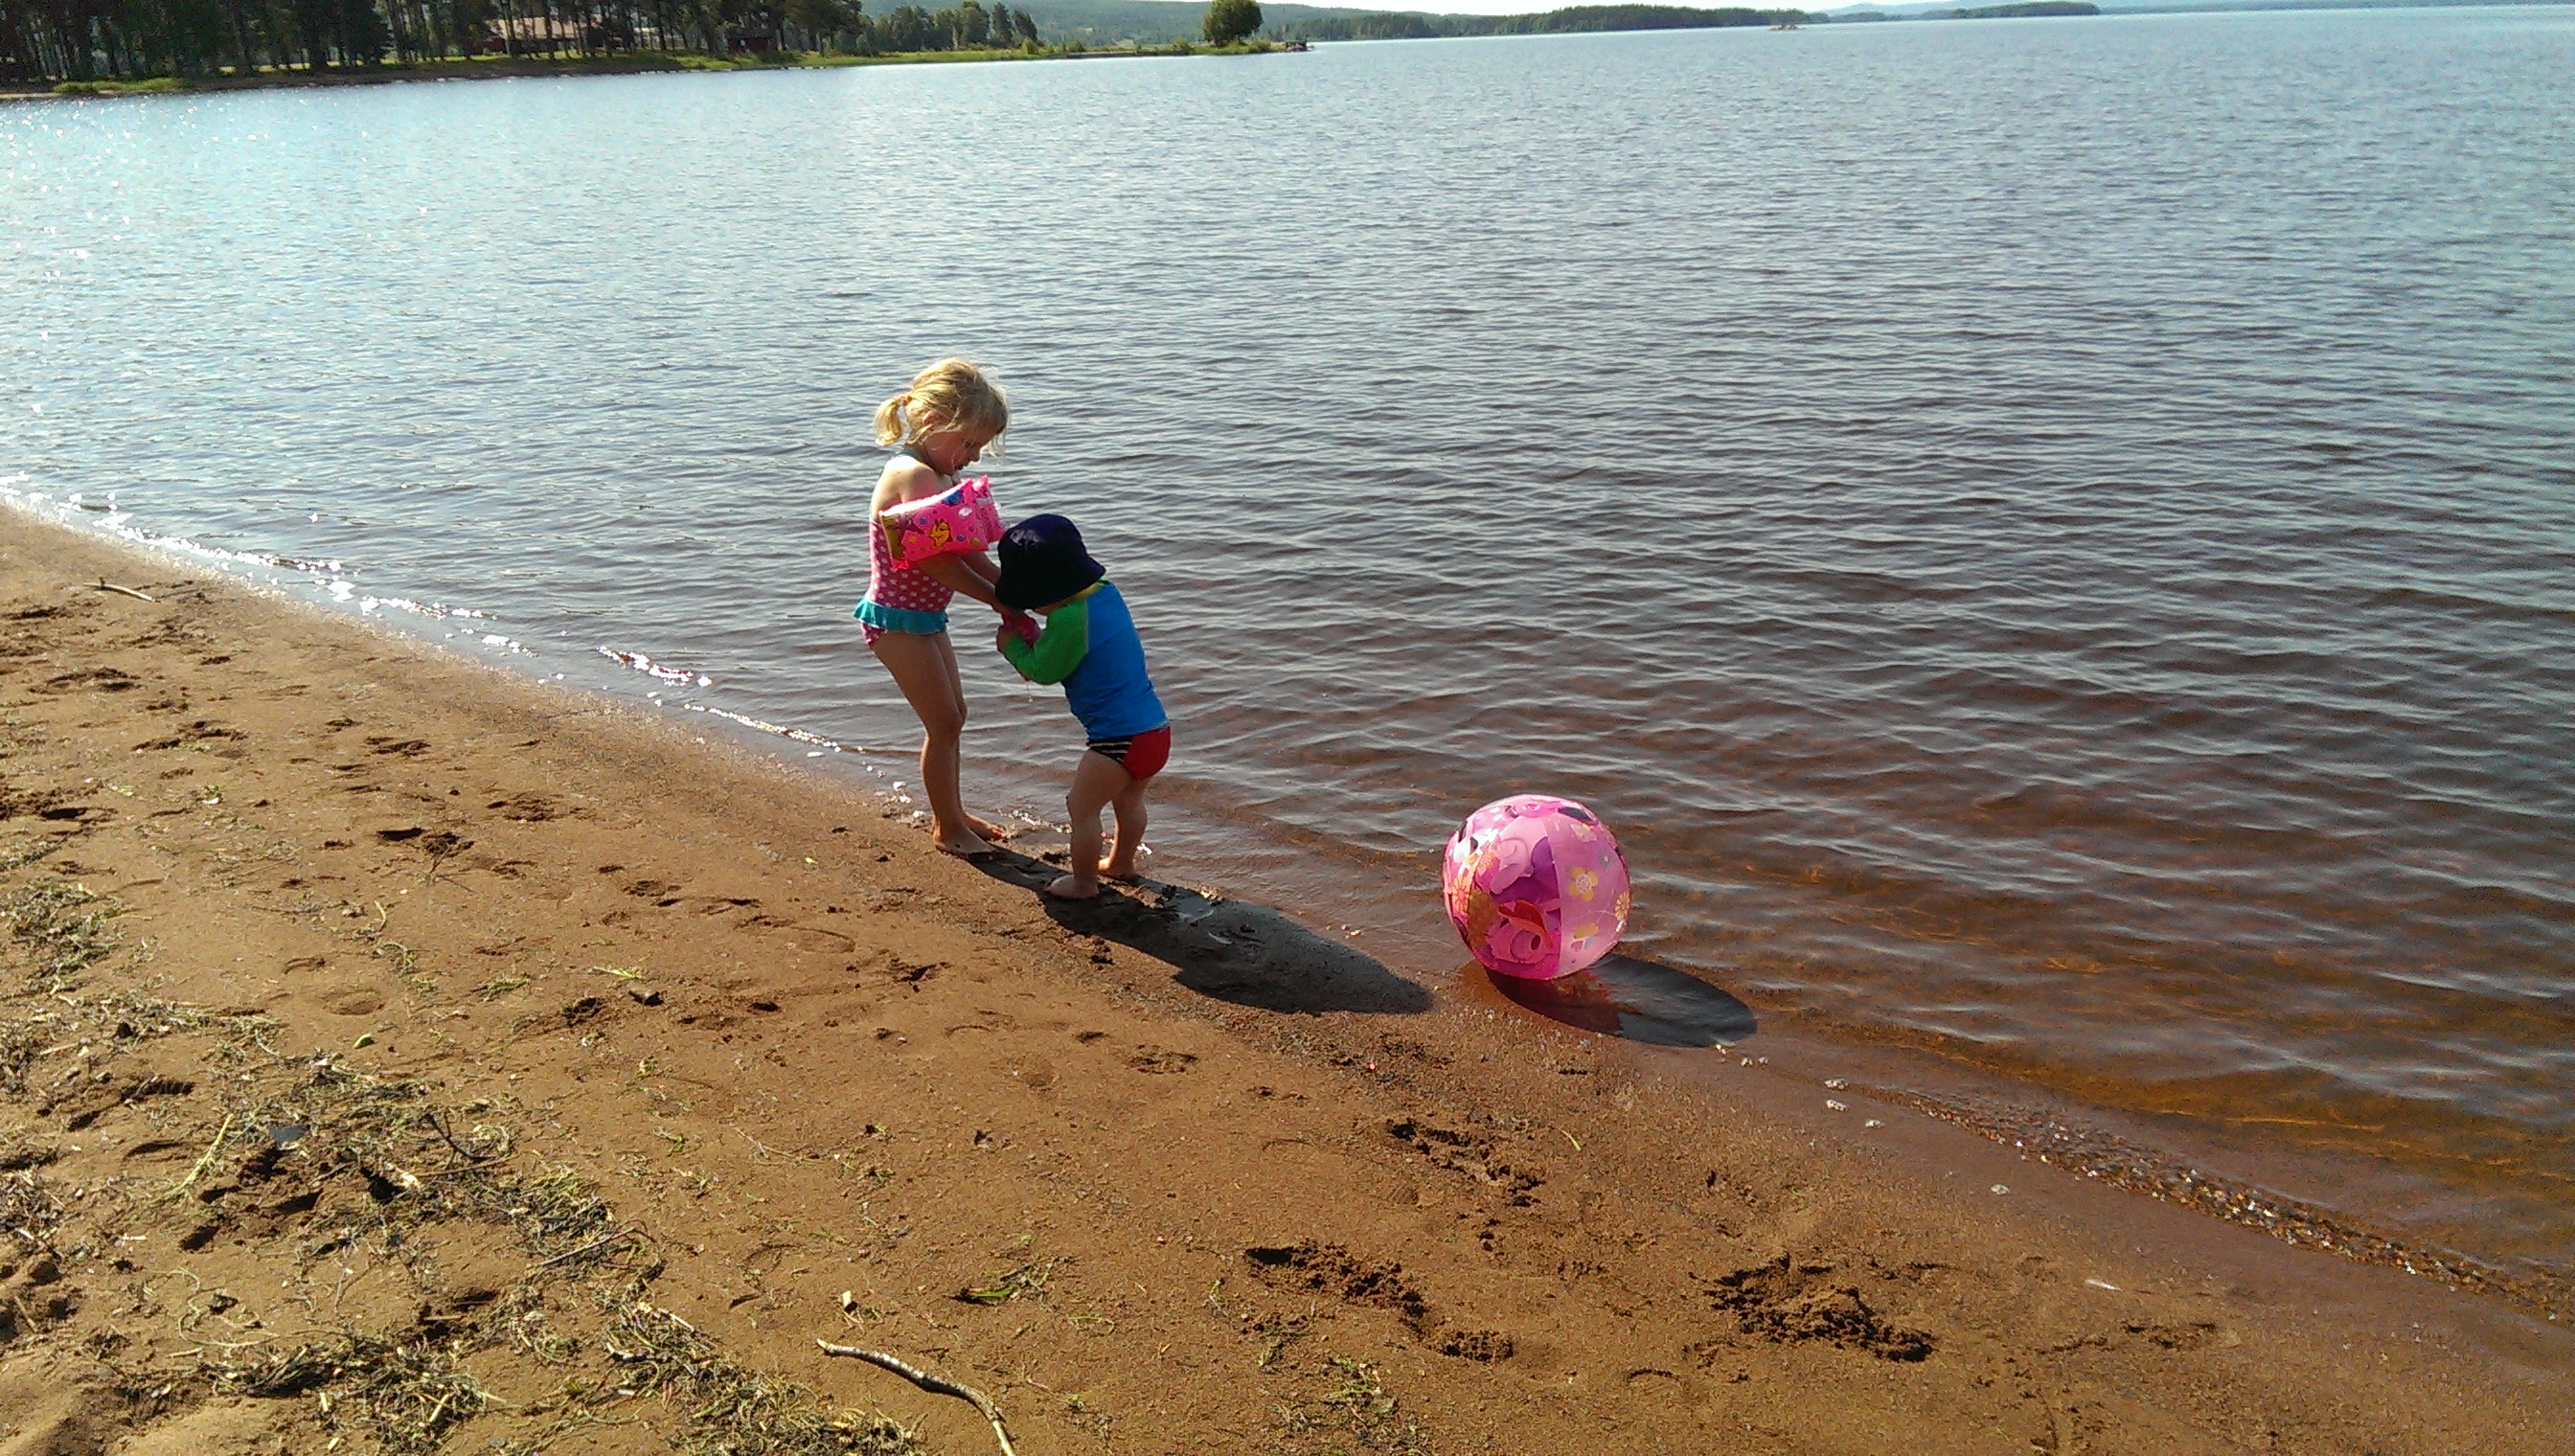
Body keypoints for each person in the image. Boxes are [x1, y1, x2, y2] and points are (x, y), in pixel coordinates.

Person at [858, 358, 1025, 856]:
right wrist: (996, 599)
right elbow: (933, 562)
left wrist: (1014, 591)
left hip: (925, 619)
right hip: (896, 620)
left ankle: (953, 813)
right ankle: (948, 829)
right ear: (933, 422)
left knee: (956, 715)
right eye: (969, 444)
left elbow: (965, 551)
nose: (973, 457)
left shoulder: (936, 473)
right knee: (943, 723)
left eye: (979, 448)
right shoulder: (913, 476)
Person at [991, 514, 1169, 899]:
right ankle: (1121, 863)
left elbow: (1044, 670)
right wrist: (1040, 638)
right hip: (1154, 729)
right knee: (1129, 800)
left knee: (1081, 807)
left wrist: (1012, 647)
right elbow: (1081, 647)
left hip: (1115, 740)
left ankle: (1084, 883)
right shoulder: (1105, 593)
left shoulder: (1069, 618)